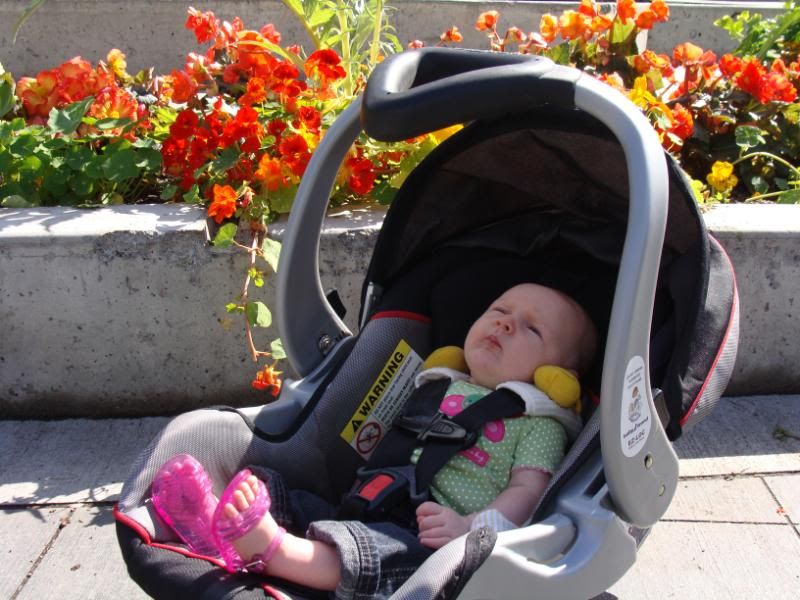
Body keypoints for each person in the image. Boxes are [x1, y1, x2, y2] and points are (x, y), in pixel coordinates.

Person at [151, 283, 598, 597]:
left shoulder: (537, 421)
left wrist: (471, 529)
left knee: (373, 554)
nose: (504, 325)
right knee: (282, 489)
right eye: (499, 311)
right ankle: (213, 523)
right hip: (364, 503)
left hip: (431, 544)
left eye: (531, 329)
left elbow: (528, 492)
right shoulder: (438, 382)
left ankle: (274, 551)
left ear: (558, 375)